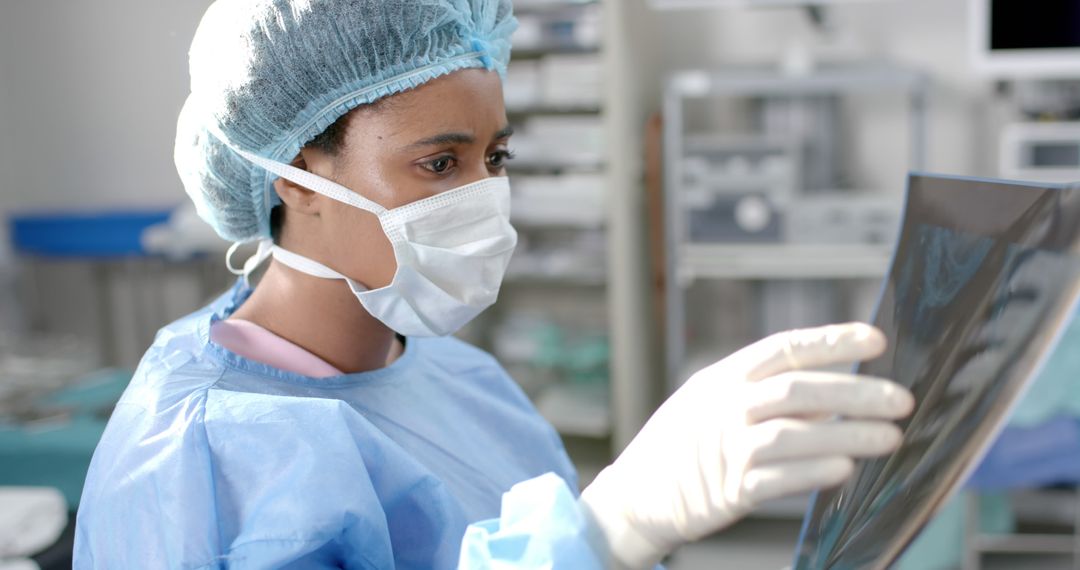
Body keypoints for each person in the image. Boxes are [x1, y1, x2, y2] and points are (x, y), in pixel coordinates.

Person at [73, 0, 915, 568]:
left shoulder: (458, 375)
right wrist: (596, 532)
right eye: (439, 163)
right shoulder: (199, 453)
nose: (484, 197)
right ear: (294, 174)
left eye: (494, 158)